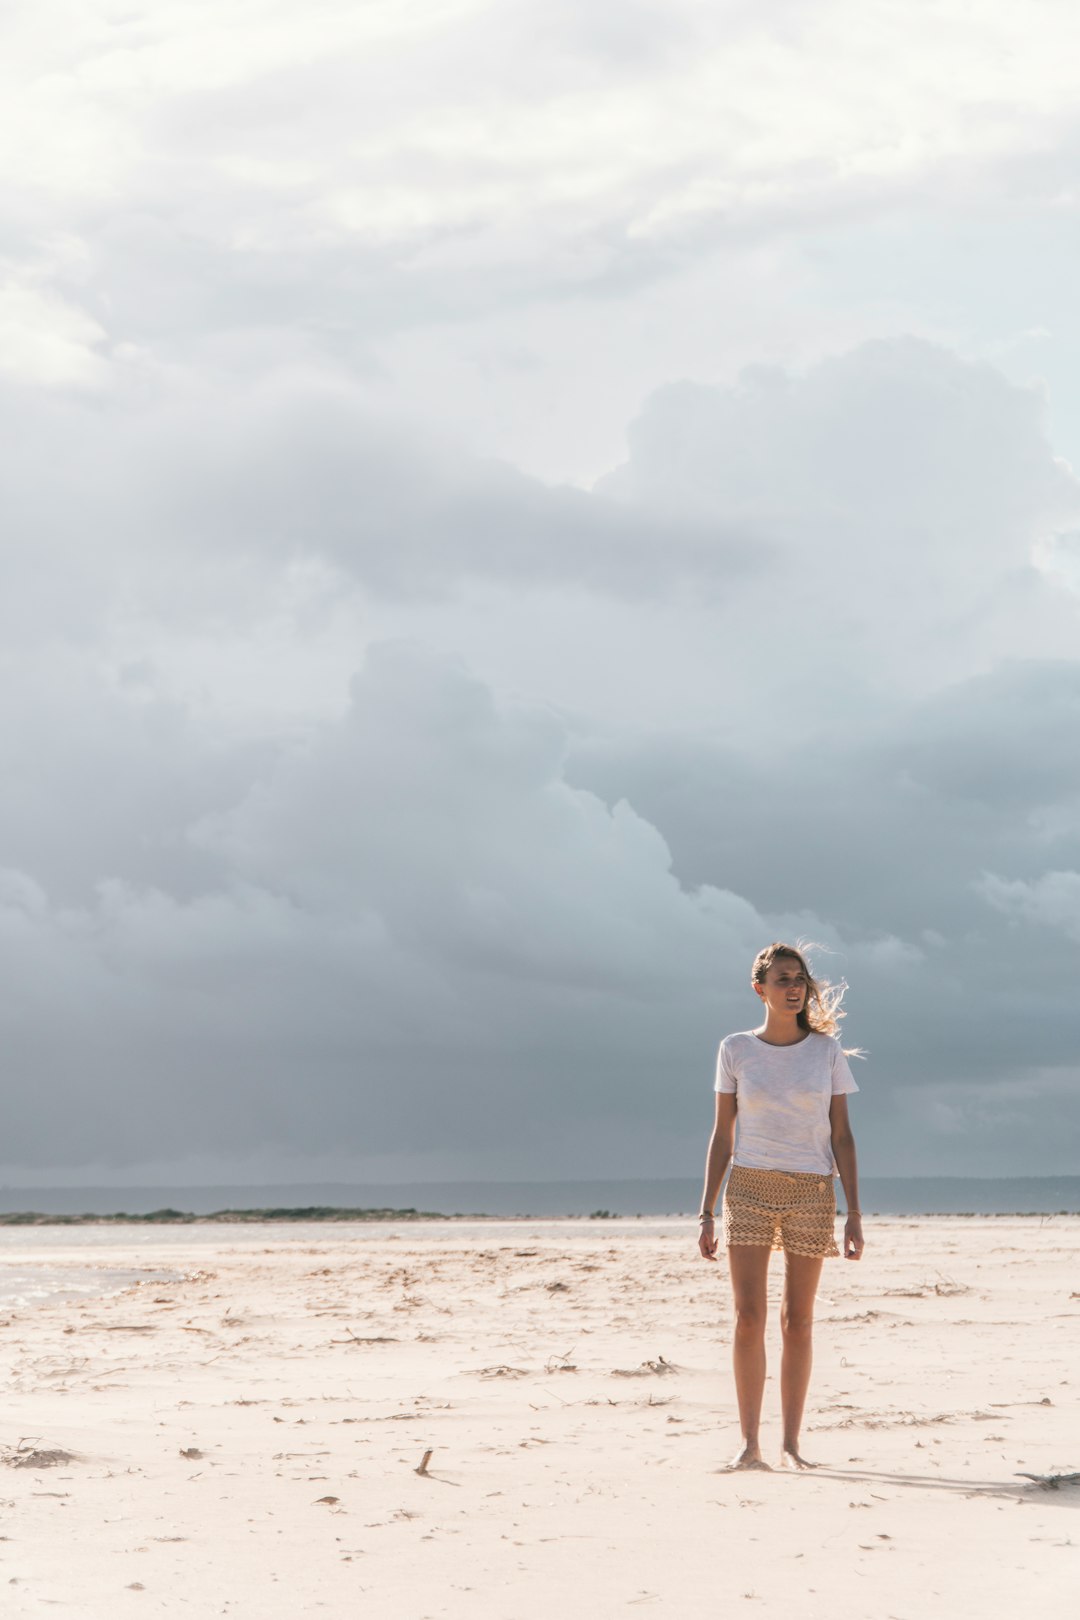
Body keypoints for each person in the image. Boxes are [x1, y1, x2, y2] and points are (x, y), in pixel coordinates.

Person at [698, 941, 864, 1471]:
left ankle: (792, 1445)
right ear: (760, 989)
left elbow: (843, 1134)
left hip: (813, 1191)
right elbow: (722, 1135)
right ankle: (750, 1446)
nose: (795, 987)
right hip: (747, 1187)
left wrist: (854, 1212)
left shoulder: (826, 1053)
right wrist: (705, 1212)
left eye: (801, 979)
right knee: (749, 1318)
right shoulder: (736, 1049)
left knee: (799, 1321)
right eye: (783, 979)